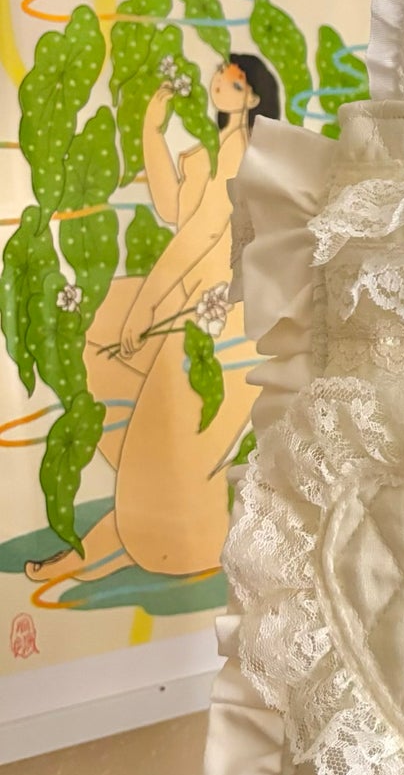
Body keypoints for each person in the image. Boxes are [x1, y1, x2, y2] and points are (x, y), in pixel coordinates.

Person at [25, 54, 280, 584]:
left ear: (254, 97)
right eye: (219, 75)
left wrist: (144, 310)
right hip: (202, 312)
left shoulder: (244, 154)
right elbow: (173, 210)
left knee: (159, 444)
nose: (217, 84)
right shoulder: (220, 150)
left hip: (220, 323)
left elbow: (196, 238)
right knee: (130, 408)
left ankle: (122, 543)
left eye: (233, 81)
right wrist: (151, 131)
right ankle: (112, 537)